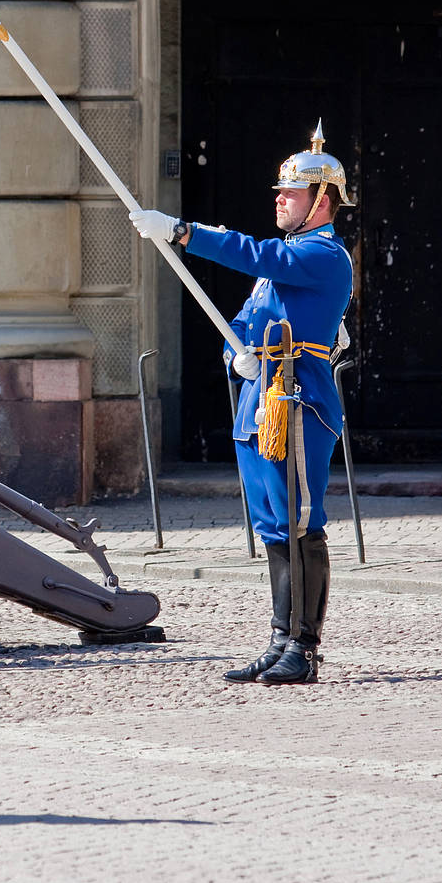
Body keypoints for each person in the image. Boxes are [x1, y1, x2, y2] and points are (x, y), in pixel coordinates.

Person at [129, 121, 354, 685]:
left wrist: (183, 232)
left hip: (300, 397)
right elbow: (247, 315)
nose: (280, 200)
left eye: (291, 193)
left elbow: (254, 257)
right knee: (273, 524)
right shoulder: (282, 259)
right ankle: (280, 638)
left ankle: (305, 646)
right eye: (280, 193)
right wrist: (239, 353)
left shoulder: (324, 255)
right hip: (262, 398)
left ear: (321, 201)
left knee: (301, 519)